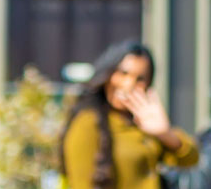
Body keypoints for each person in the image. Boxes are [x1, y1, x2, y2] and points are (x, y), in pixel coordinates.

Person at [60, 40, 199, 189]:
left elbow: (191, 158)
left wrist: (164, 133)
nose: (129, 84)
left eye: (140, 78)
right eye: (123, 73)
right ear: (106, 74)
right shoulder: (88, 122)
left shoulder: (143, 124)